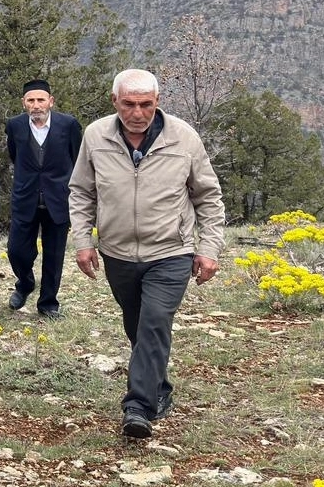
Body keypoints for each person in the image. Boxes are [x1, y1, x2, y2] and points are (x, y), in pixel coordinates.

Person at [69, 68, 224, 439]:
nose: (137, 113)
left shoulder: (183, 138)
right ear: (114, 101)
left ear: (157, 102)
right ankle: (158, 386)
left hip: (171, 250)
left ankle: (138, 407)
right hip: (118, 253)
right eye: (128, 104)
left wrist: (208, 248)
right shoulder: (96, 136)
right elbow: (82, 191)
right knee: (137, 326)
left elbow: (208, 197)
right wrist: (83, 241)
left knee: (154, 321)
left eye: (145, 104)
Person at [5, 79, 82, 318]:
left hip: (58, 200)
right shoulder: (15, 126)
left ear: (51, 101)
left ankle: (48, 303)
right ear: (24, 103)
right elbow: (15, 156)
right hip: (25, 198)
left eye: (41, 100)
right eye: (31, 100)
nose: (36, 105)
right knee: (16, 251)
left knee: (54, 255)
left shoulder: (68, 125)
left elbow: (77, 159)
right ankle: (25, 283)